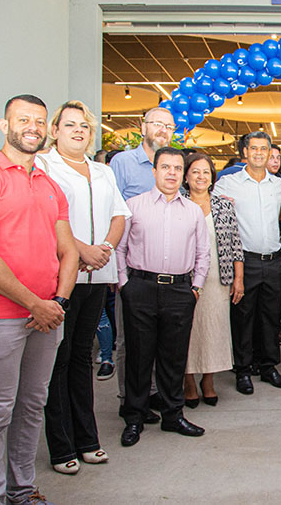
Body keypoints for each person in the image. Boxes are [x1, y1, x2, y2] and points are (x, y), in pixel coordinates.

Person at [0, 94, 79, 505]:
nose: (33, 127)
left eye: (40, 121)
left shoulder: (50, 185)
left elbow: (69, 251)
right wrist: (35, 303)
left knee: (31, 407)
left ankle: (22, 492)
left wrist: (57, 302)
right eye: (23, 119)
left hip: (47, 316)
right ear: (4, 125)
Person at [37, 101, 130, 474]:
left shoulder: (102, 170)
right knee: (56, 362)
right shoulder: (44, 166)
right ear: (55, 130)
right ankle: (61, 447)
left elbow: (119, 214)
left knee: (80, 358)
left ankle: (87, 439)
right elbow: (44, 219)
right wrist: (82, 251)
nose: (78, 131)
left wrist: (103, 249)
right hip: (62, 276)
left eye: (85, 126)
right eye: (70, 124)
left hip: (98, 275)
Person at [116, 147, 210, 447]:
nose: (171, 173)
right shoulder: (134, 205)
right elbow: (118, 248)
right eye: (165, 167)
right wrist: (123, 285)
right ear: (154, 171)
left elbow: (202, 254)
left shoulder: (193, 211)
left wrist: (195, 287)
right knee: (139, 357)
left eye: (177, 168)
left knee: (174, 358)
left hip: (180, 291)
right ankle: (134, 417)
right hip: (140, 289)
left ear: (183, 174)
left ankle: (173, 415)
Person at [109, 107, 176, 421]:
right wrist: (118, 274)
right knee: (129, 340)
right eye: (157, 124)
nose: (162, 130)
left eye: (169, 126)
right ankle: (128, 399)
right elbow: (114, 215)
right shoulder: (123, 163)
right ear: (143, 126)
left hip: (166, 273)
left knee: (158, 338)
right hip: (134, 271)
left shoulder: (174, 164)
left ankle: (150, 393)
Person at [213, 131, 281, 394]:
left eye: (264, 149)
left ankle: (268, 367)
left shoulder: (280, 185)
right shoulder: (227, 184)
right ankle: (243, 370)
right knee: (242, 316)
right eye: (253, 148)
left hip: (275, 260)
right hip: (243, 262)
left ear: (270, 153)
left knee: (271, 317)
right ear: (245, 152)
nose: (259, 153)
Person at [181, 153, 244, 406]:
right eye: (195, 171)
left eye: (206, 172)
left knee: (213, 329)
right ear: (186, 176)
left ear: (212, 177)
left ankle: (208, 380)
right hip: (184, 278)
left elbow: (236, 245)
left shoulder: (223, 205)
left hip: (219, 278)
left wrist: (238, 278)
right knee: (189, 330)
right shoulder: (178, 203)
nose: (201, 176)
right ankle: (188, 381)